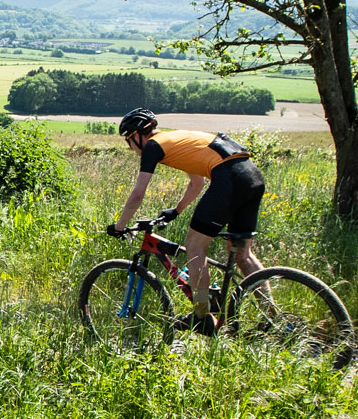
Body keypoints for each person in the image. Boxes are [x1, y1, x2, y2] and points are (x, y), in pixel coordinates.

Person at [110, 108, 265, 334]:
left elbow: (138, 193)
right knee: (242, 254)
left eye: (128, 141)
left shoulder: (153, 146)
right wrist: (177, 210)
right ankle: (273, 317)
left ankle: (202, 315)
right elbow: (197, 182)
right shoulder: (178, 138)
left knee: (194, 246)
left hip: (228, 179)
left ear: (137, 135)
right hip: (251, 177)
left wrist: (120, 226)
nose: (130, 148)